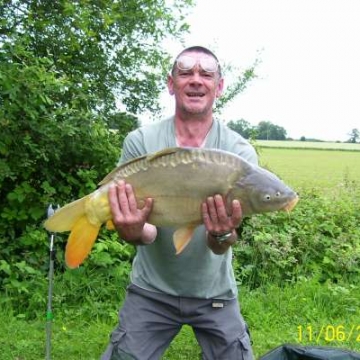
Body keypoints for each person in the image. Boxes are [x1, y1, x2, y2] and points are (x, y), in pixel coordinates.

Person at [101, 46, 258, 360]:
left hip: (214, 292)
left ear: (219, 86)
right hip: (152, 290)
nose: (196, 80)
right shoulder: (141, 141)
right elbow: (143, 234)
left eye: (206, 74)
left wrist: (221, 233)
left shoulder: (239, 154)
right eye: (185, 73)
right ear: (171, 84)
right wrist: (131, 229)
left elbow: (222, 244)